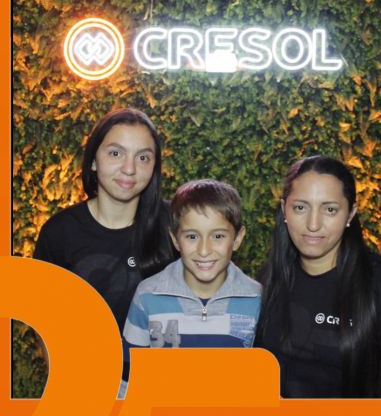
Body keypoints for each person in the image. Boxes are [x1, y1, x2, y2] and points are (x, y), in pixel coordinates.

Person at [34, 108, 176, 392]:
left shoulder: (175, 226)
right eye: (115, 153)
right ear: (93, 160)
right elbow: (44, 320)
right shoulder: (60, 232)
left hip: (162, 387)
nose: (129, 168)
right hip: (87, 386)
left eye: (143, 157)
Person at [255, 155, 381, 399]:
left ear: (350, 214)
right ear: (284, 209)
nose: (313, 224)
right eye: (300, 207)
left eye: (329, 209)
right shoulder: (270, 277)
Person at [123, 179, 261, 360]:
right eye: (192, 236)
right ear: (175, 239)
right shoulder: (147, 295)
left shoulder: (257, 299)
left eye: (218, 236)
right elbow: (130, 368)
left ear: (237, 239)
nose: (204, 250)